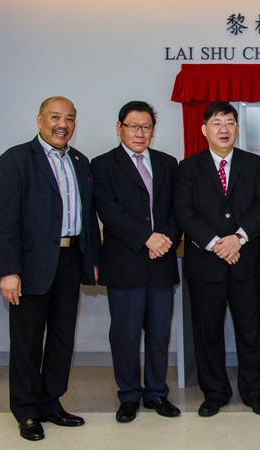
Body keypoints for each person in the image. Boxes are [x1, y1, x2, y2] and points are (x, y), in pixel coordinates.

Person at [0, 96, 100, 441]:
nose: (62, 124)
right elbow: (4, 221)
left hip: (69, 261)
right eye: (55, 116)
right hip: (31, 264)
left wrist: (91, 261)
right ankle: (25, 412)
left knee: (62, 338)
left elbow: (88, 215)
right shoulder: (17, 159)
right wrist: (8, 271)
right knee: (27, 342)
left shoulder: (80, 162)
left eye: (69, 118)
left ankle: (50, 402)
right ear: (39, 120)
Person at [173, 101, 260, 417]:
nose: (224, 129)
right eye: (217, 123)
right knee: (207, 332)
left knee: (251, 330)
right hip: (206, 263)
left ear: (237, 128)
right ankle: (214, 393)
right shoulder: (188, 167)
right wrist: (217, 243)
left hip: (245, 259)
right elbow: (184, 212)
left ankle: (255, 392)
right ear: (204, 129)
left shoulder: (253, 163)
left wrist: (239, 238)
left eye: (230, 122)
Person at [91, 101, 181, 423]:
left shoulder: (168, 163)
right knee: (126, 335)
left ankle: (156, 393)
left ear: (153, 131)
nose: (140, 133)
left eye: (146, 127)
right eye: (133, 126)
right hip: (125, 263)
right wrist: (147, 238)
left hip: (161, 261)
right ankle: (128, 395)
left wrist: (164, 239)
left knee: (158, 334)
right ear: (119, 128)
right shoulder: (102, 165)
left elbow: (176, 209)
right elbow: (108, 210)